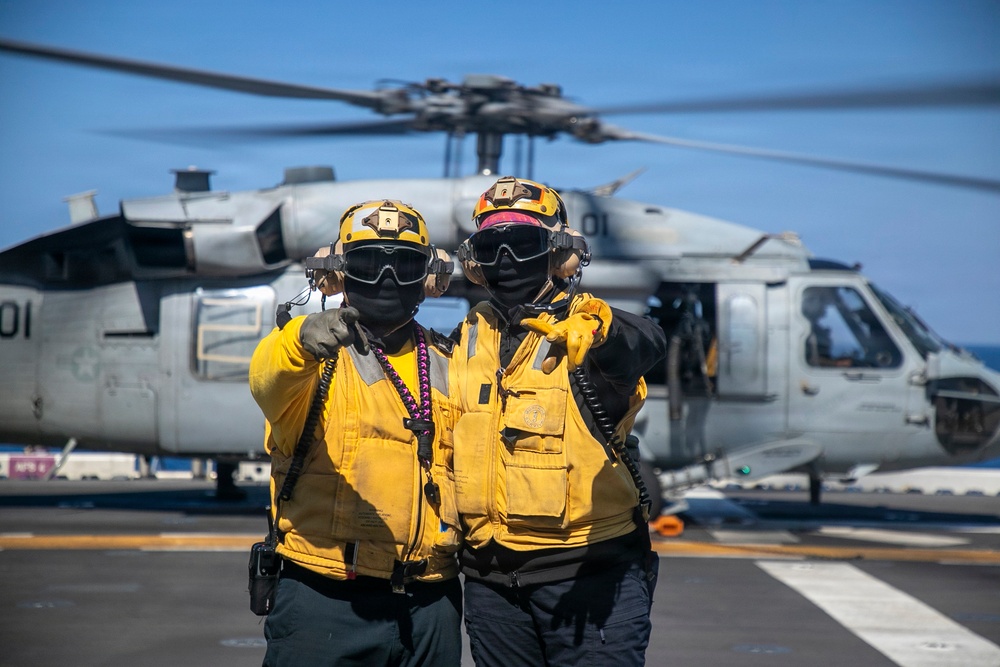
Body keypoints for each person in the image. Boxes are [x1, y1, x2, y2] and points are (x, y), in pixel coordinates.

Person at [449, 177, 668, 666]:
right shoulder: (467, 337)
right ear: (474, 261)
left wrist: (603, 332)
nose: (506, 258)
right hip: (491, 587)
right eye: (490, 246)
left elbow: (645, 342)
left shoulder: (587, 326)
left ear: (560, 253)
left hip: (589, 579)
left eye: (523, 243)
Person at [249, 200, 463, 666]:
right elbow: (267, 378)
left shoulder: (451, 363)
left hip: (432, 601)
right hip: (325, 599)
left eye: (405, 264)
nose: (387, 277)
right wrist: (299, 340)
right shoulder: (312, 359)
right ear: (337, 275)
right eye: (367, 263)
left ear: (429, 278)